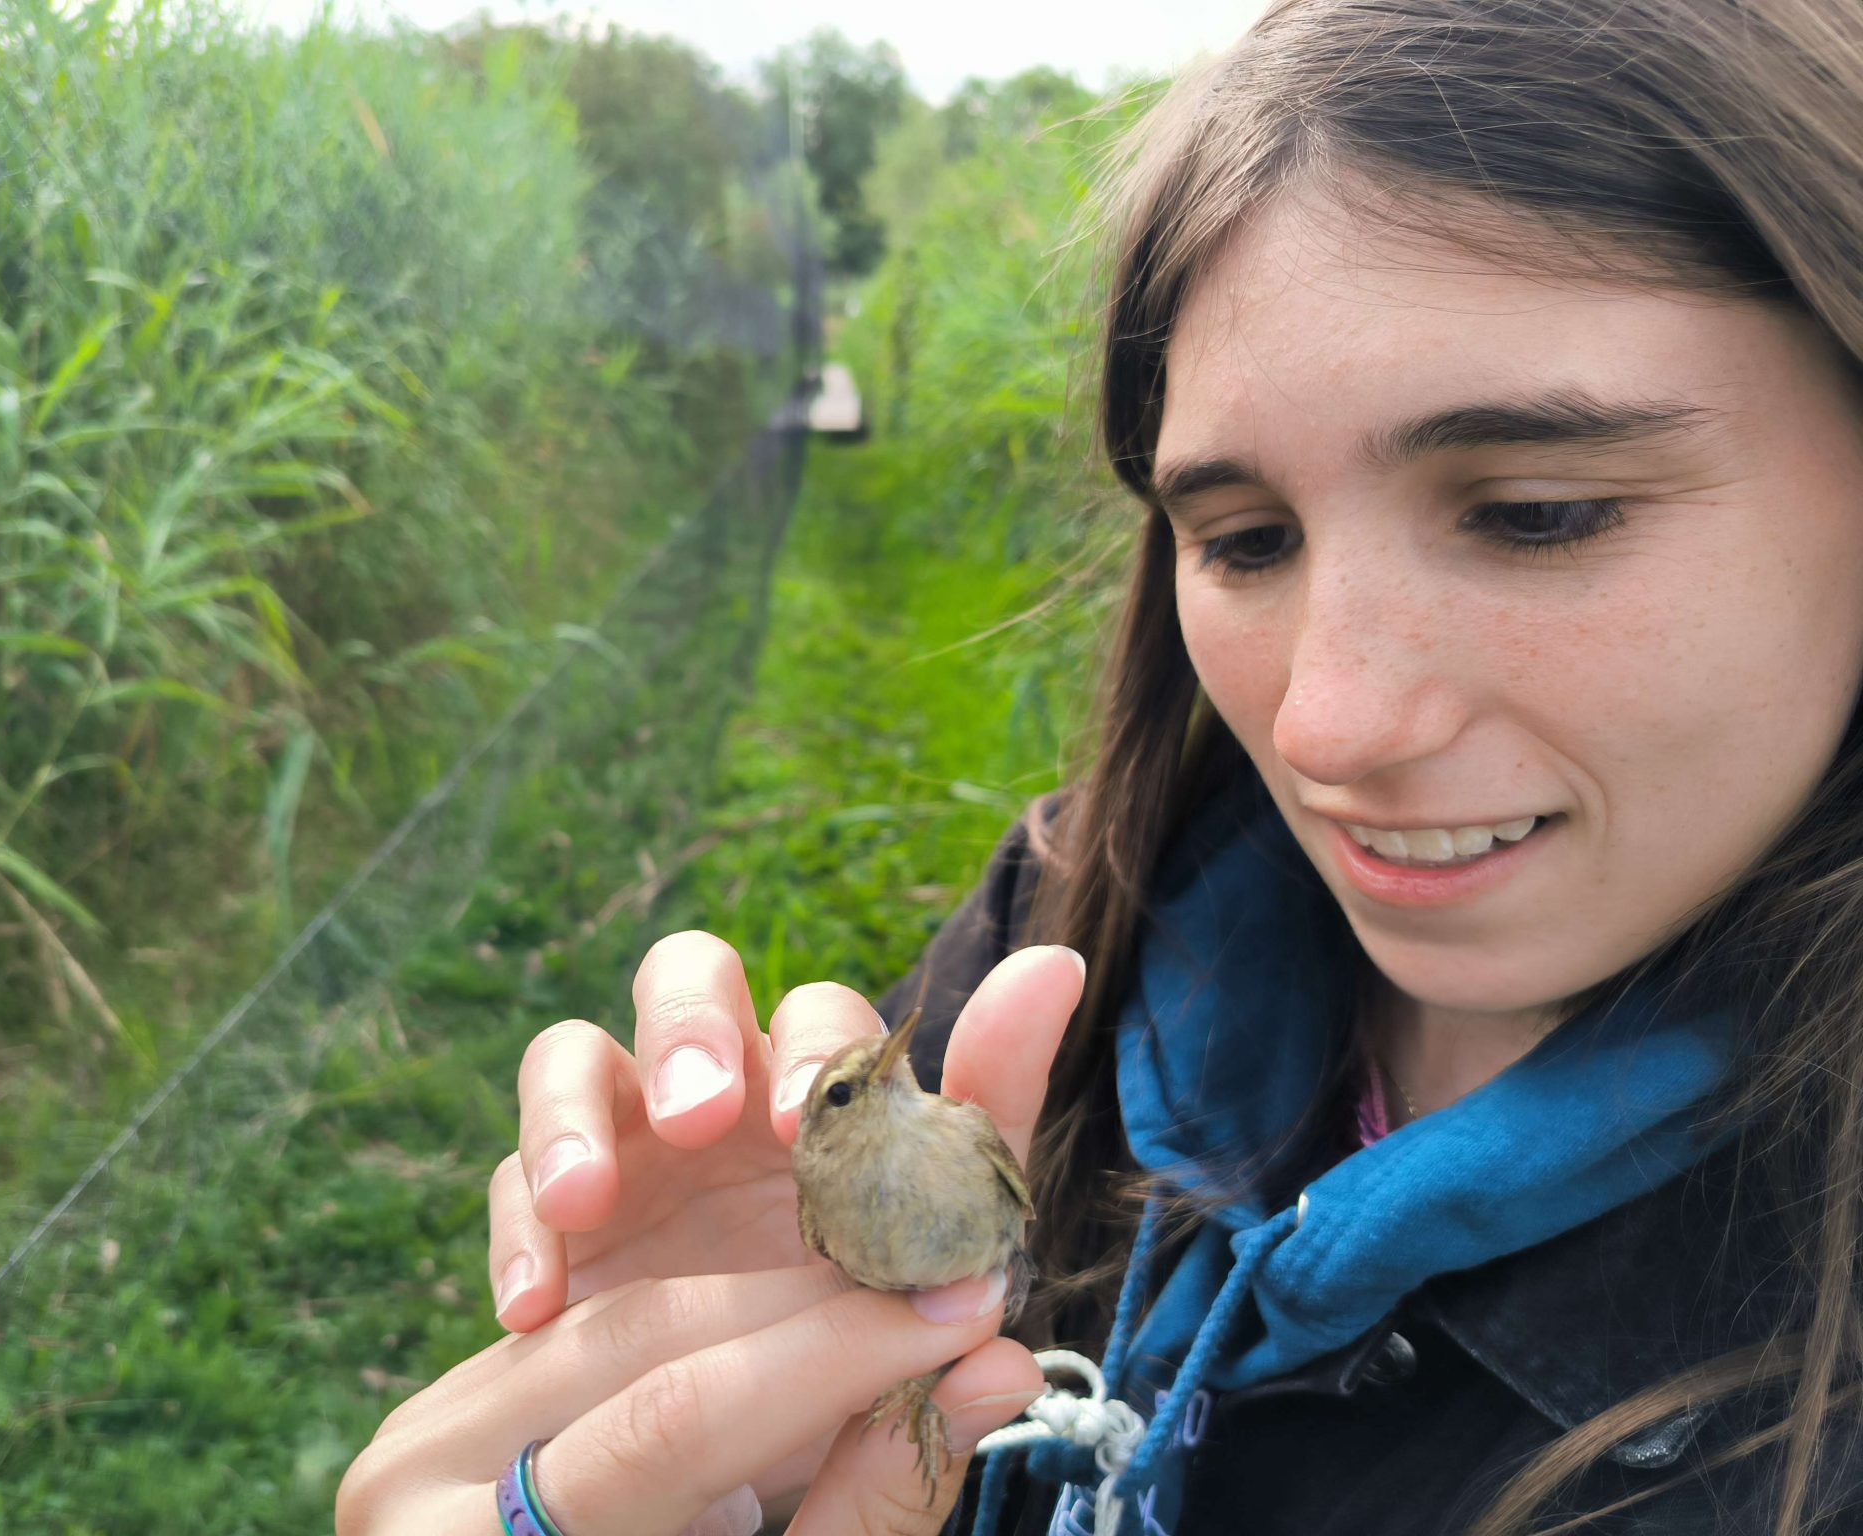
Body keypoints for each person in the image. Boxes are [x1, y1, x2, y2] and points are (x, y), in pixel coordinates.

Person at [335, 0, 1863, 1530]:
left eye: (1536, 511)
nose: (1325, 730)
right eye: (1246, 538)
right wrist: (757, 1441)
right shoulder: (1076, 928)